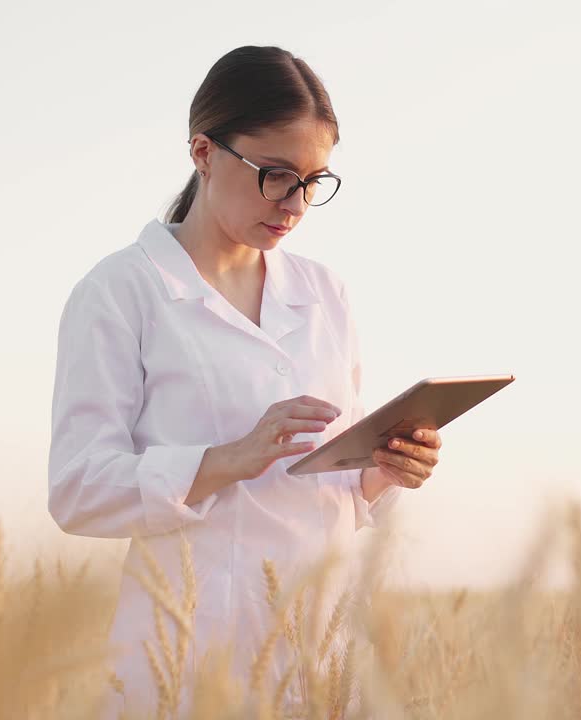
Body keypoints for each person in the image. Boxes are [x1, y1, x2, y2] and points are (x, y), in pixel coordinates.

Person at [46, 45, 443, 718]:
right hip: (188, 662)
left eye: (315, 180)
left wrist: (383, 470)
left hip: (322, 655)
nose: (297, 203)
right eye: (276, 175)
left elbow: (332, 493)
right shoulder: (120, 291)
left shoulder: (326, 293)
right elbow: (77, 490)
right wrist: (226, 460)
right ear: (203, 151)